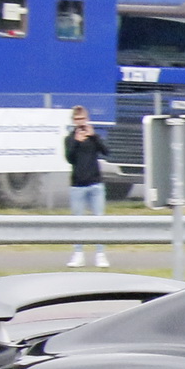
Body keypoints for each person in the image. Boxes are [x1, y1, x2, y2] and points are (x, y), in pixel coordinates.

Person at [64, 106, 110, 268]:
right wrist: (77, 142)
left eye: (82, 119)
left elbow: (106, 152)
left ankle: (100, 254)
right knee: (78, 223)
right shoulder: (70, 138)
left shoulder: (93, 137)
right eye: (77, 120)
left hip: (95, 184)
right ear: (73, 121)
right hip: (77, 185)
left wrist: (94, 136)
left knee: (99, 220)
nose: (80, 122)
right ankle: (78, 254)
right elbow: (69, 158)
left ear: (87, 119)